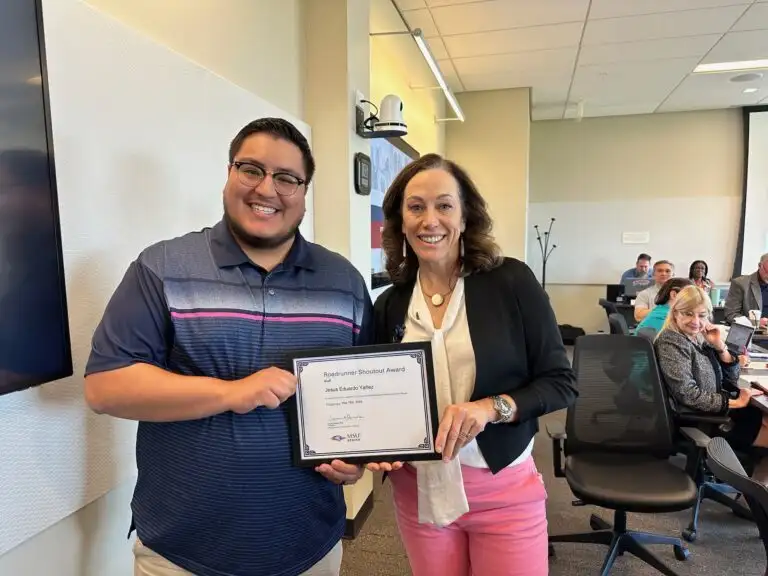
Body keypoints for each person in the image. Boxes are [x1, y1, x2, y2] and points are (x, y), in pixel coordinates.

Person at [84, 118, 398, 576]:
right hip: (182, 553)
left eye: (287, 178)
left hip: (309, 545)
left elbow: (361, 400)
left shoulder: (343, 283)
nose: (266, 189)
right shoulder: (162, 267)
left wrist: (354, 460)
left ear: (304, 192)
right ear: (229, 174)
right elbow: (105, 388)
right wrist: (232, 393)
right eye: (251, 169)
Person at [370, 153, 578, 576]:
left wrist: (490, 407)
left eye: (444, 205)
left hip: (502, 486)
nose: (430, 220)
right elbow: (375, 394)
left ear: (465, 218)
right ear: (400, 221)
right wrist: (370, 445)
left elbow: (561, 382)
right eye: (416, 207)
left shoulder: (512, 283)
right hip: (419, 489)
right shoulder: (390, 304)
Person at [655, 286, 768, 483]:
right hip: (700, 419)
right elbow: (687, 394)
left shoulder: (698, 338)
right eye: (688, 314)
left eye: (702, 315)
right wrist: (735, 403)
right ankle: (757, 493)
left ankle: (756, 490)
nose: (696, 321)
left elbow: (731, 378)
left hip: (713, 411)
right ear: (675, 313)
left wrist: (720, 347)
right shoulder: (672, 342)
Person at [725, 253, 768, 327]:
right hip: (753, 335)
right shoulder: (740, 283)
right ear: (759, 266)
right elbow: (730, 314)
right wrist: (754, 323)